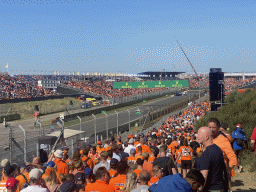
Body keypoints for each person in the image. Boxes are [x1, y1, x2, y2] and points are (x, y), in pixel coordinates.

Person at [197, 127, 228, 192]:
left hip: (211, 189)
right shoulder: (218, 149)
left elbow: (203, 177)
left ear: (206, 137)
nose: (197, 136)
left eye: (199, 135)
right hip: (220, 187)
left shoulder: (206, 154)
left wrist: (199, 190)